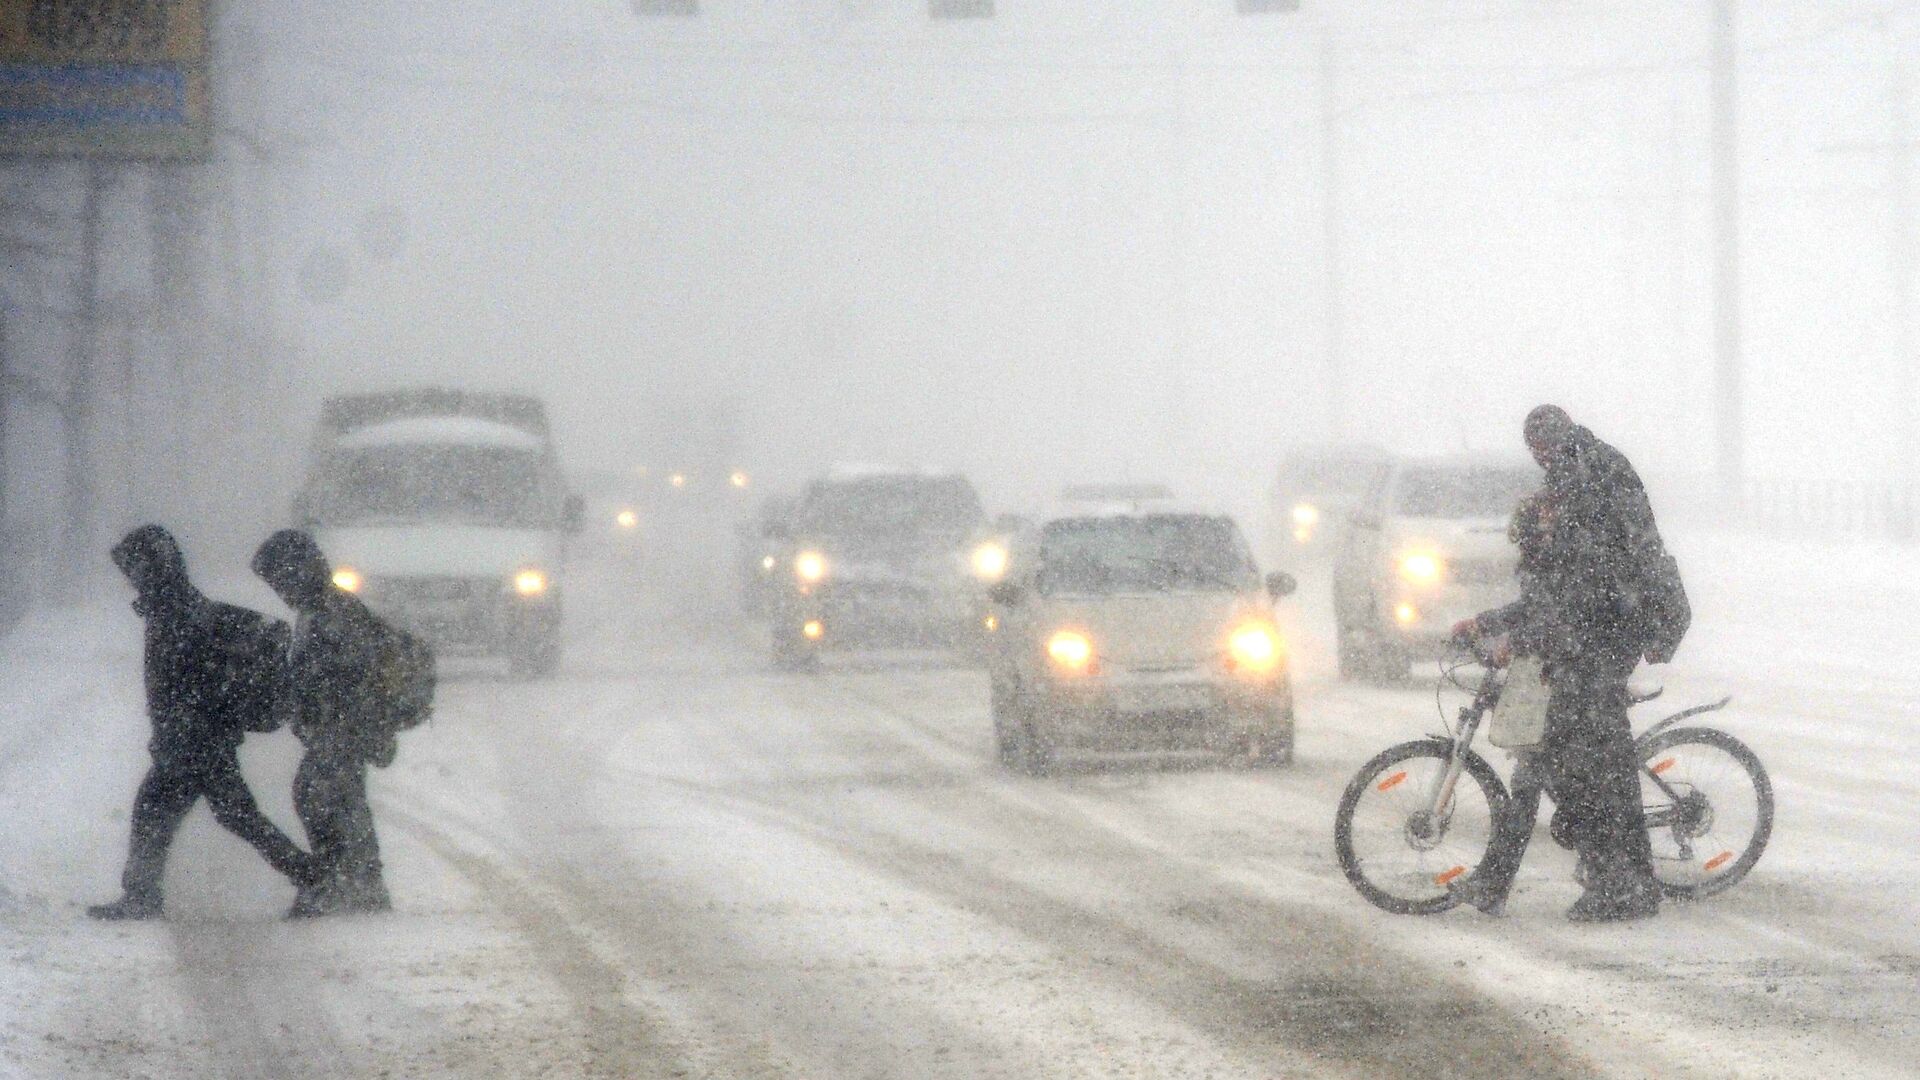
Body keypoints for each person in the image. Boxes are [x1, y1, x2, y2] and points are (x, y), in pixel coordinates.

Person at [1453, 405, 1689, 923]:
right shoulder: (1568, 486)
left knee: (1588, 765)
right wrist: (1491, 623)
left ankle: (1622, 882)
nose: (1537, 459)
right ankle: (1601, 877)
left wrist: (1521, 640)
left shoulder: (1588, 480)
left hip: (1609, 634)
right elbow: (1552, 598)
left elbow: (1588, 594)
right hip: (1592, 634)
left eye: (1540, 448)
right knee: (1551, 759)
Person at [88, 525, 317, 921]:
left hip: (194, 742)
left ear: (151, 569)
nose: (129, 578)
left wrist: (183, 731)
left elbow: (186, 685)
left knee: (167, 810)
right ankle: (312, 877)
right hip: (198, 740)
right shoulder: (176, 608)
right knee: (232, 816)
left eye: (134, 568)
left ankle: (143, 896)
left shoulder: (177, 613)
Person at [251, 529, 395, 917]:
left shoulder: (332, 612)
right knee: (335, 799)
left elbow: (344, 673)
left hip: (342, 727)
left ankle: (342, 882)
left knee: (320, 797)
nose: (280, 591)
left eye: (281, 581)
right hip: (336, 727)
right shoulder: (320, 610)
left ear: (301, 572)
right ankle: (357, 882)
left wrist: (315, 704)